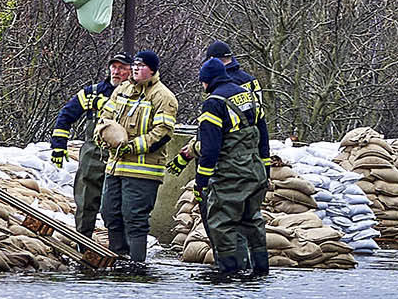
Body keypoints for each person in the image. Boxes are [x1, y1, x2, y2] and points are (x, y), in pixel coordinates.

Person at [89, 48, 184, 270]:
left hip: (143, 171)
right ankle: (118, 258)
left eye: (141, 66)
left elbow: (162, 132)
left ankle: (136, 264)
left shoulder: (163, 97)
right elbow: (105, 118)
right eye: (135, 66)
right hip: (115, 167)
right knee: (110, 213)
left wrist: (132, 147)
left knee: (134, 218)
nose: (136, 69)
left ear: (152, 70)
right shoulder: (121, 90)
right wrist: (102, 136)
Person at [191, 43, 274, 281]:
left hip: (230, 174)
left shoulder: (213, 103)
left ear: (206, 81)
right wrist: (265, 168)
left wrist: (201, 181)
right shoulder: (247, 95)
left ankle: (230, 273)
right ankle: (260, 270)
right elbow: (263, 135)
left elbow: (211, 149)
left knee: (223, 223)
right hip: (254, 170)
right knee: (252, 220)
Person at [50, 54, 125, 244]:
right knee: (85, 203)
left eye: (121, 68)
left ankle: (119, 250)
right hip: (93, 156)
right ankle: (83, 245)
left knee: (117, 208)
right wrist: (59, 147)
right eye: (113, 67)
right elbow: (66, 115)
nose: (116, 72)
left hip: (123, 159)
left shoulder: (136, 94)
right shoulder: (93, 92)